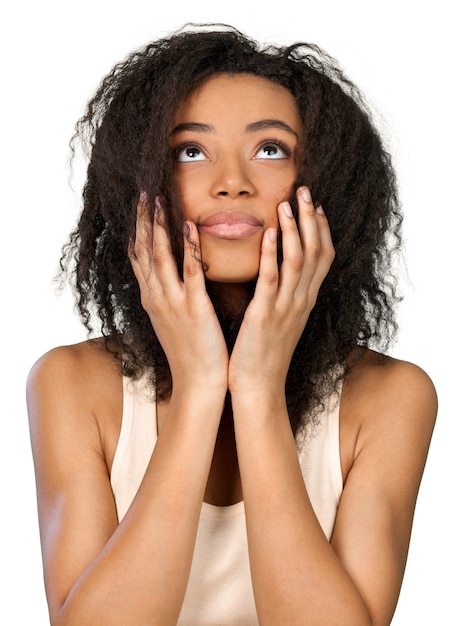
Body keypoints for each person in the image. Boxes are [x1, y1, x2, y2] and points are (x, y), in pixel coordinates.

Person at [26, 24, 437, 626]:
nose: (232, 182)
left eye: (270, 149)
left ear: (329, 186)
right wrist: (198, 387)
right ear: (139, 188)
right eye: (190, 151)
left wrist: (257, 388)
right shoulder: (71, 382)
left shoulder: (391, 396)